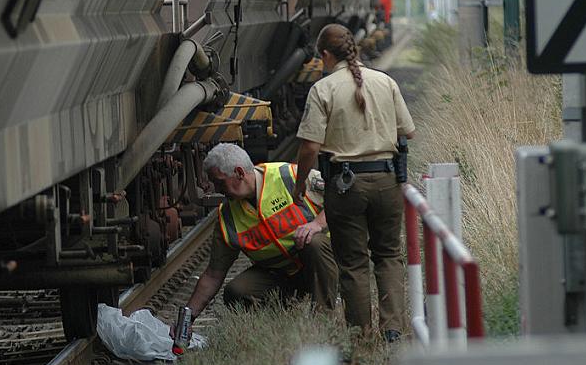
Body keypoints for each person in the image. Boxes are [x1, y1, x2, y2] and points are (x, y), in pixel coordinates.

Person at [292, 23, 415, 342]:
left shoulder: (323, 89)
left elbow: (309, 146)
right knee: (388, 255)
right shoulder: (385, 82)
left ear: (325, 55)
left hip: (345, 186)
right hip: (387, 180)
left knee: (354, 262)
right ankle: (393, 331)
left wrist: (299, 184)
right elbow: (408, 130)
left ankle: (361, 336)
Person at [177, 143, 338, 328]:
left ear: (239, 173)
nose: (218, 189)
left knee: (314, 243)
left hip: (327, 265)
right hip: (285, 276)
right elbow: (213, 274)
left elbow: (341, 198)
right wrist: (187, 319)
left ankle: (323, 321)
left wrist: (317, 224)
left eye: (220, 182)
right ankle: (282, 324)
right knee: (237, 291)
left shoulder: (290, 176)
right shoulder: (228, 216)